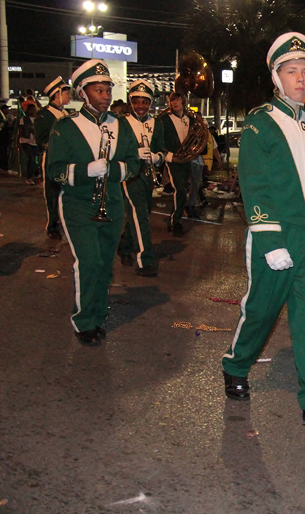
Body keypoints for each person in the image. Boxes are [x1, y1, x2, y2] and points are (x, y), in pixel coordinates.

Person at [221, 32, 305, 431]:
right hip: (275, 234)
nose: (300, 78)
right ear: (276, 77)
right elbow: (254, 183)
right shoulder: (260, 123)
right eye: (291, 71)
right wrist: (269, 239)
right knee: (261, 311)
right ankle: (236, 363)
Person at [45, 59, 140, 346]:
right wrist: (86, 170)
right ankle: (84, 321)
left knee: (104, 264)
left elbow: (134, 164)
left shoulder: (120, 125)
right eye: (98, 90)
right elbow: (54, 170)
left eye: (108, 90)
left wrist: (112, 170)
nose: (106, 96)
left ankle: (98, 314)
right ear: (82, 93)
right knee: (89, 261)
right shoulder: (66, 126)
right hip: (78, 202)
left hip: (111, 201)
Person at [118, 80, 166, 277]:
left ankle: (124, 245)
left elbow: (162, 150)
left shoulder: (157, 123)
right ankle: (145, 259)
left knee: (141, 213)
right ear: (131, 102)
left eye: (144, 102)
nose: (140, 106)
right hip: (130, 175)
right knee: (141, 215)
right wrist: (134, 153)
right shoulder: (121, 122)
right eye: (136, 102)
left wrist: (156, 158)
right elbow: (115, 150)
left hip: (147, 175)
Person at [34, 77, 72, 239]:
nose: (70, 97)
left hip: (68, 160)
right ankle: (52, 225)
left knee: (67, 193)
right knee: (52, 193)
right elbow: (41, 140)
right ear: (57, 94)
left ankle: (65, 222)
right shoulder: (44, 115)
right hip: (52, 158)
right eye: (67, 93)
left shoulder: (66, 114)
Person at [161, 92, 197, 237]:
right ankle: (176, 222)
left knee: (183, 190)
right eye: (172, 101)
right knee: (180, 190)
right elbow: (160, 140)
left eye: (177, 100)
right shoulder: (164, 119)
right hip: (173, 159)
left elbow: (196, 139)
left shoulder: (190, 120)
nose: (174, 103)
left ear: (183, 101)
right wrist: (169, 156)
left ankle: (174, 218)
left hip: (186, 159)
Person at [19, 100, 38, 185]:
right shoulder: (24, 119)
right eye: (32, 109)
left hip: (35, 142)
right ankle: (29, 177)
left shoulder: (38, 119)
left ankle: (35, 173)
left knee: (34, 159)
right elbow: (20, 130)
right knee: (31, 158)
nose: (34, 111)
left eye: (35, 109)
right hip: (25, 141)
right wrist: (18, 141)